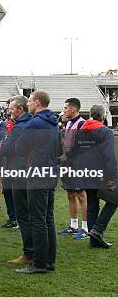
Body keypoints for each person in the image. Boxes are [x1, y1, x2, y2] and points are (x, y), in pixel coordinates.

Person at [14, 90, 59, 274]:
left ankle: (39, 264)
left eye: (31, 101)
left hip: (38, 173)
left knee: (38, 219)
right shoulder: (53, 122)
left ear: (38, 103)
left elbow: (20, 148)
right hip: (50, 171)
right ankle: (48, 261)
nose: (29, 104)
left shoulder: (35, 122)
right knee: (48, 218)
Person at [66, 105, 117, 249]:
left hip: (85, 172)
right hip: (100, 172)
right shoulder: (105, 131)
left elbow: (75, 149)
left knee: (92, 204)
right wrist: (112, 175)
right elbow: (108, 155)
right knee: (114, 200)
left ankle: (94, 239)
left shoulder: (82, 130)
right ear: (103, 116)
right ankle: (98, 230)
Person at [0, 96, 33, 265]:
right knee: (36, 216)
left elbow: (6, 149)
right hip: (31, 172)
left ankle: (29, 253)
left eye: (11, 108)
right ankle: (36, 252)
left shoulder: (20, 127)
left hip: (20, 174)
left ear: (20, 109)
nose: (9, 111)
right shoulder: (32, 123)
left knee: (25, 216)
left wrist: (4, 144)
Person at [58, 98, 88, 239]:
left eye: (65, 108)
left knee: (81, 195)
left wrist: (67, 155)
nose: (63, 110)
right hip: (67, 164)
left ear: (74, 109)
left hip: (78, 164)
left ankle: (86, 228)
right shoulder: (68, 122)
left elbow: (81, 145)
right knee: (70, 194)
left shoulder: (83, 124)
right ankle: (74, 226)